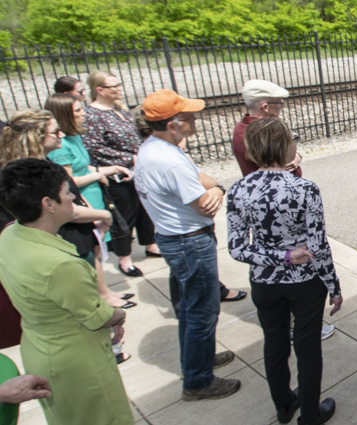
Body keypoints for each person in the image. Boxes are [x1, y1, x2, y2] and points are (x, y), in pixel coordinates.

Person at [0, 158, 132, 424]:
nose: (73, 195)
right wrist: (119, 315)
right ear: (48, 204)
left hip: (40, 348)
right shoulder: (60, 265)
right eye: (66, 192)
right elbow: (97, 315)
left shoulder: (9, 235)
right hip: (77, 361)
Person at [227, 117, 340, 425]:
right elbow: (317, 247)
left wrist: (277, 257)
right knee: (307, 347)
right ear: (284, 145)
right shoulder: (304, 189)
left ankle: (284, 406)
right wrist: (333, 285)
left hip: (264, 282)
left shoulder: (238, 190)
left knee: (274, 342)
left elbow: (237, 248)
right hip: (305, 283)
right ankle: (311, 414)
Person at [134, 89, 241, 401]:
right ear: (172, 124)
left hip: (175, 239)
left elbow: (200, 177)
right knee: (202, 311)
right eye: (188, 116)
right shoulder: (168, 161)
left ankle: (197, 362)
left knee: (190, 309)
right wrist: (220, 191)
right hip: (189, 242)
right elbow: (204, 205)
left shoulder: (156, 148)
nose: (195, 119)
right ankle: (198, 381)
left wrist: (216, 185)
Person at [43, 95, 137, 310]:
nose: (83, 113)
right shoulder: (59, 147)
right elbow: (70, 179)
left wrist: (111, 169)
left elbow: (84, 168)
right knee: (92, 249)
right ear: (64, 114)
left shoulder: (73, 137)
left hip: (93, 197)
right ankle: (102, 295)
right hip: (82, 201)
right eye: (77, 110)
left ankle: (105, 291)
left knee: (97, 248)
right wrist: (96, 176)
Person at [83, 70, 161, 277]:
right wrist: (128, 159)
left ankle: (150, 243)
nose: (119, 89)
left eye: (119, 84)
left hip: (137, 169)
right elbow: (95, 148)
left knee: (144, 209)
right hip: (118, 175)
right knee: (125, 214)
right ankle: (124, 258)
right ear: (99, 90)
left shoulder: (118, 109)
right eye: (113, 86)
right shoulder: (92, 115)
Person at [232, 79, 303, 177]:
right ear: (266, 107)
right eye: (280, 102)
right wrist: (295, 157)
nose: (282, 106)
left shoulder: (241, 127)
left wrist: (297, 156)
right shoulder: (263, 133)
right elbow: (282, 165)